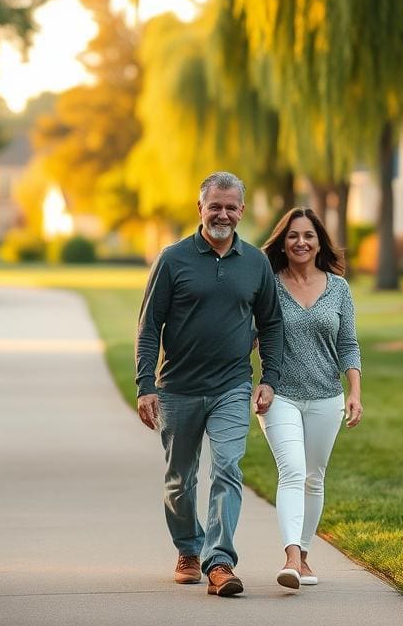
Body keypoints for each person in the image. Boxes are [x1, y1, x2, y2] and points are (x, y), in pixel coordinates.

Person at [135, 171, 284, 597]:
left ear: (242, 210)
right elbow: (149, 329)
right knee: (180, 479)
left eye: (230, 206)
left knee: (227, 468)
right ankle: (188, 549)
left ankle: (220, 562)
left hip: (232, 386)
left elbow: (271, 325)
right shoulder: (172, 259)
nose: (222, 213)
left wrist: (268, 378)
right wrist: (146, 385)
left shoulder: (256, 263)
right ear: (199, 209)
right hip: (178, 387)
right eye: (214, 205)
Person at [257, 207, 363, 590]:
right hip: (280, 395)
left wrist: (354, 393)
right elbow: (251, 336)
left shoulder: (338, 288)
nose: (301, 242)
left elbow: (348, 344)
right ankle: (289, 557)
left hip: (326, 397)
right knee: (294, 472)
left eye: (309, 236)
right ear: (282, 244)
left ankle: (303, 554)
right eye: (293, 236)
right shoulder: (268, 284)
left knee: (314, 479)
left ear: (320, 243)